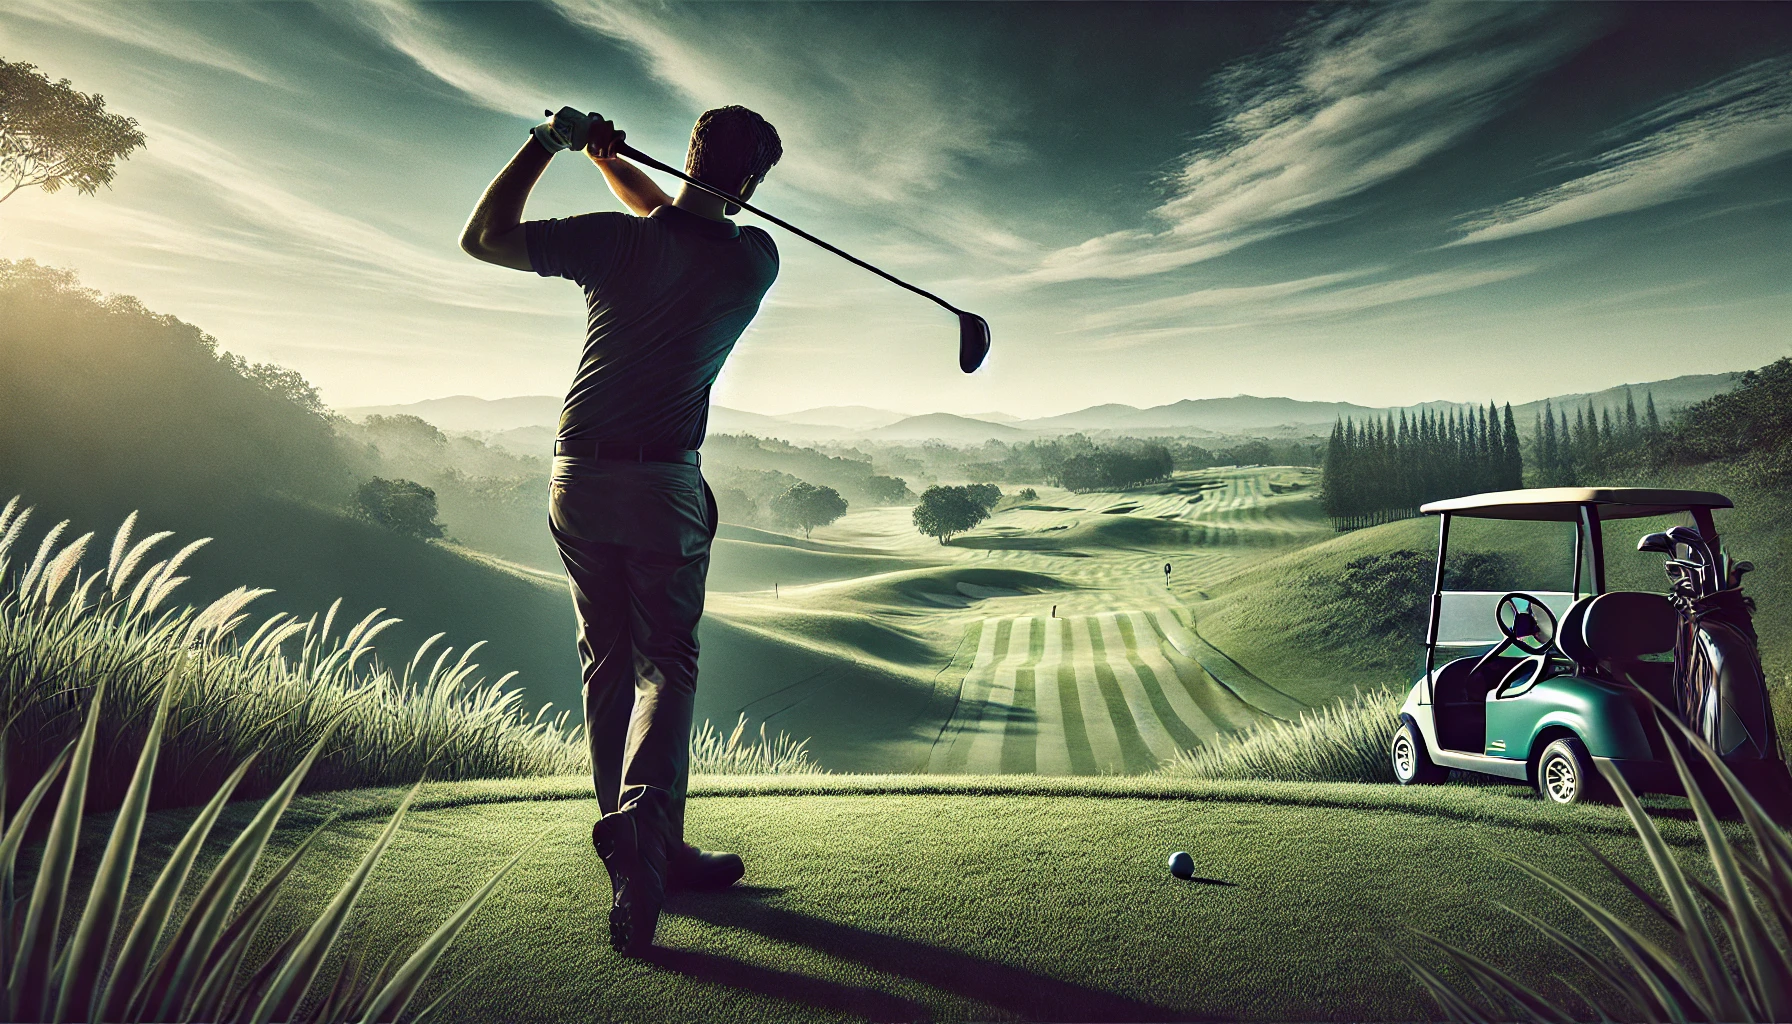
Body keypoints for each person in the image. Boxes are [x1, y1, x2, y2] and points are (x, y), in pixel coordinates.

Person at [459, 105, 782, 955]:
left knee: (607, 660)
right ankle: (646, 838)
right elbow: (684, 224)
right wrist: (610, 164)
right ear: (751, 184)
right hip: (662, 481)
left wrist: (552, 144)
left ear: (690, 153)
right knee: (664, 663)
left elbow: (484, 237)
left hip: (578, 476)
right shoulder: (756, 260)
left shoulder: (616, 241)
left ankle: (638, 848)